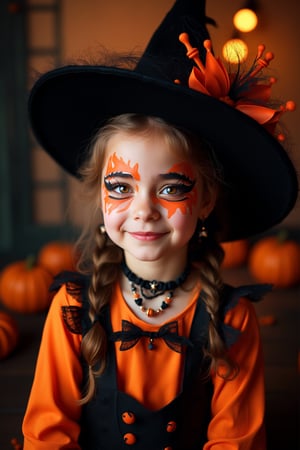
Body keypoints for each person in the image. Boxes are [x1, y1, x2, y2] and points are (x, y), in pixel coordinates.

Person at [22, 1, 297, 449]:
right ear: (100, 195)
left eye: (171, 189)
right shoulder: (72, 310)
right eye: (121, 186)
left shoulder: (233, 321)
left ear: (206, 200)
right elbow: (46, 435)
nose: (144, 209)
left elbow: (237, 440)